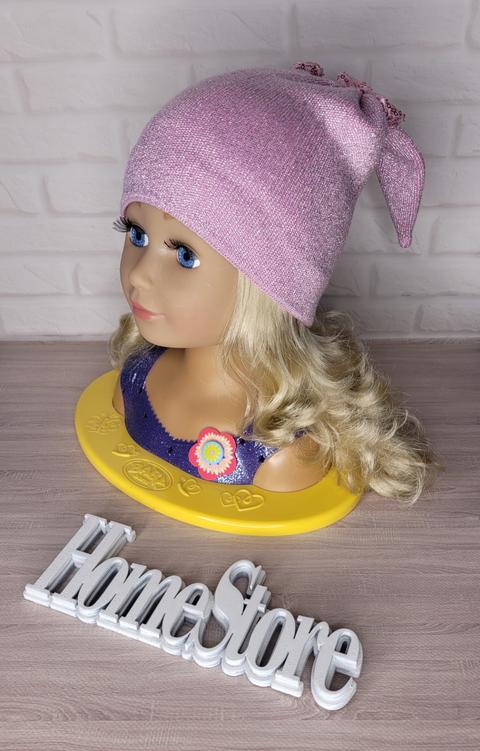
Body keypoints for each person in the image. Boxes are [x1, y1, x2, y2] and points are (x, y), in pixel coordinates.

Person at [107, 61, 444, 501]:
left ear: (271, 283)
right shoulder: (136, 381)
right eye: (136, 233)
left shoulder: (280, 451)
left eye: (185, 255)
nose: (139, 274)